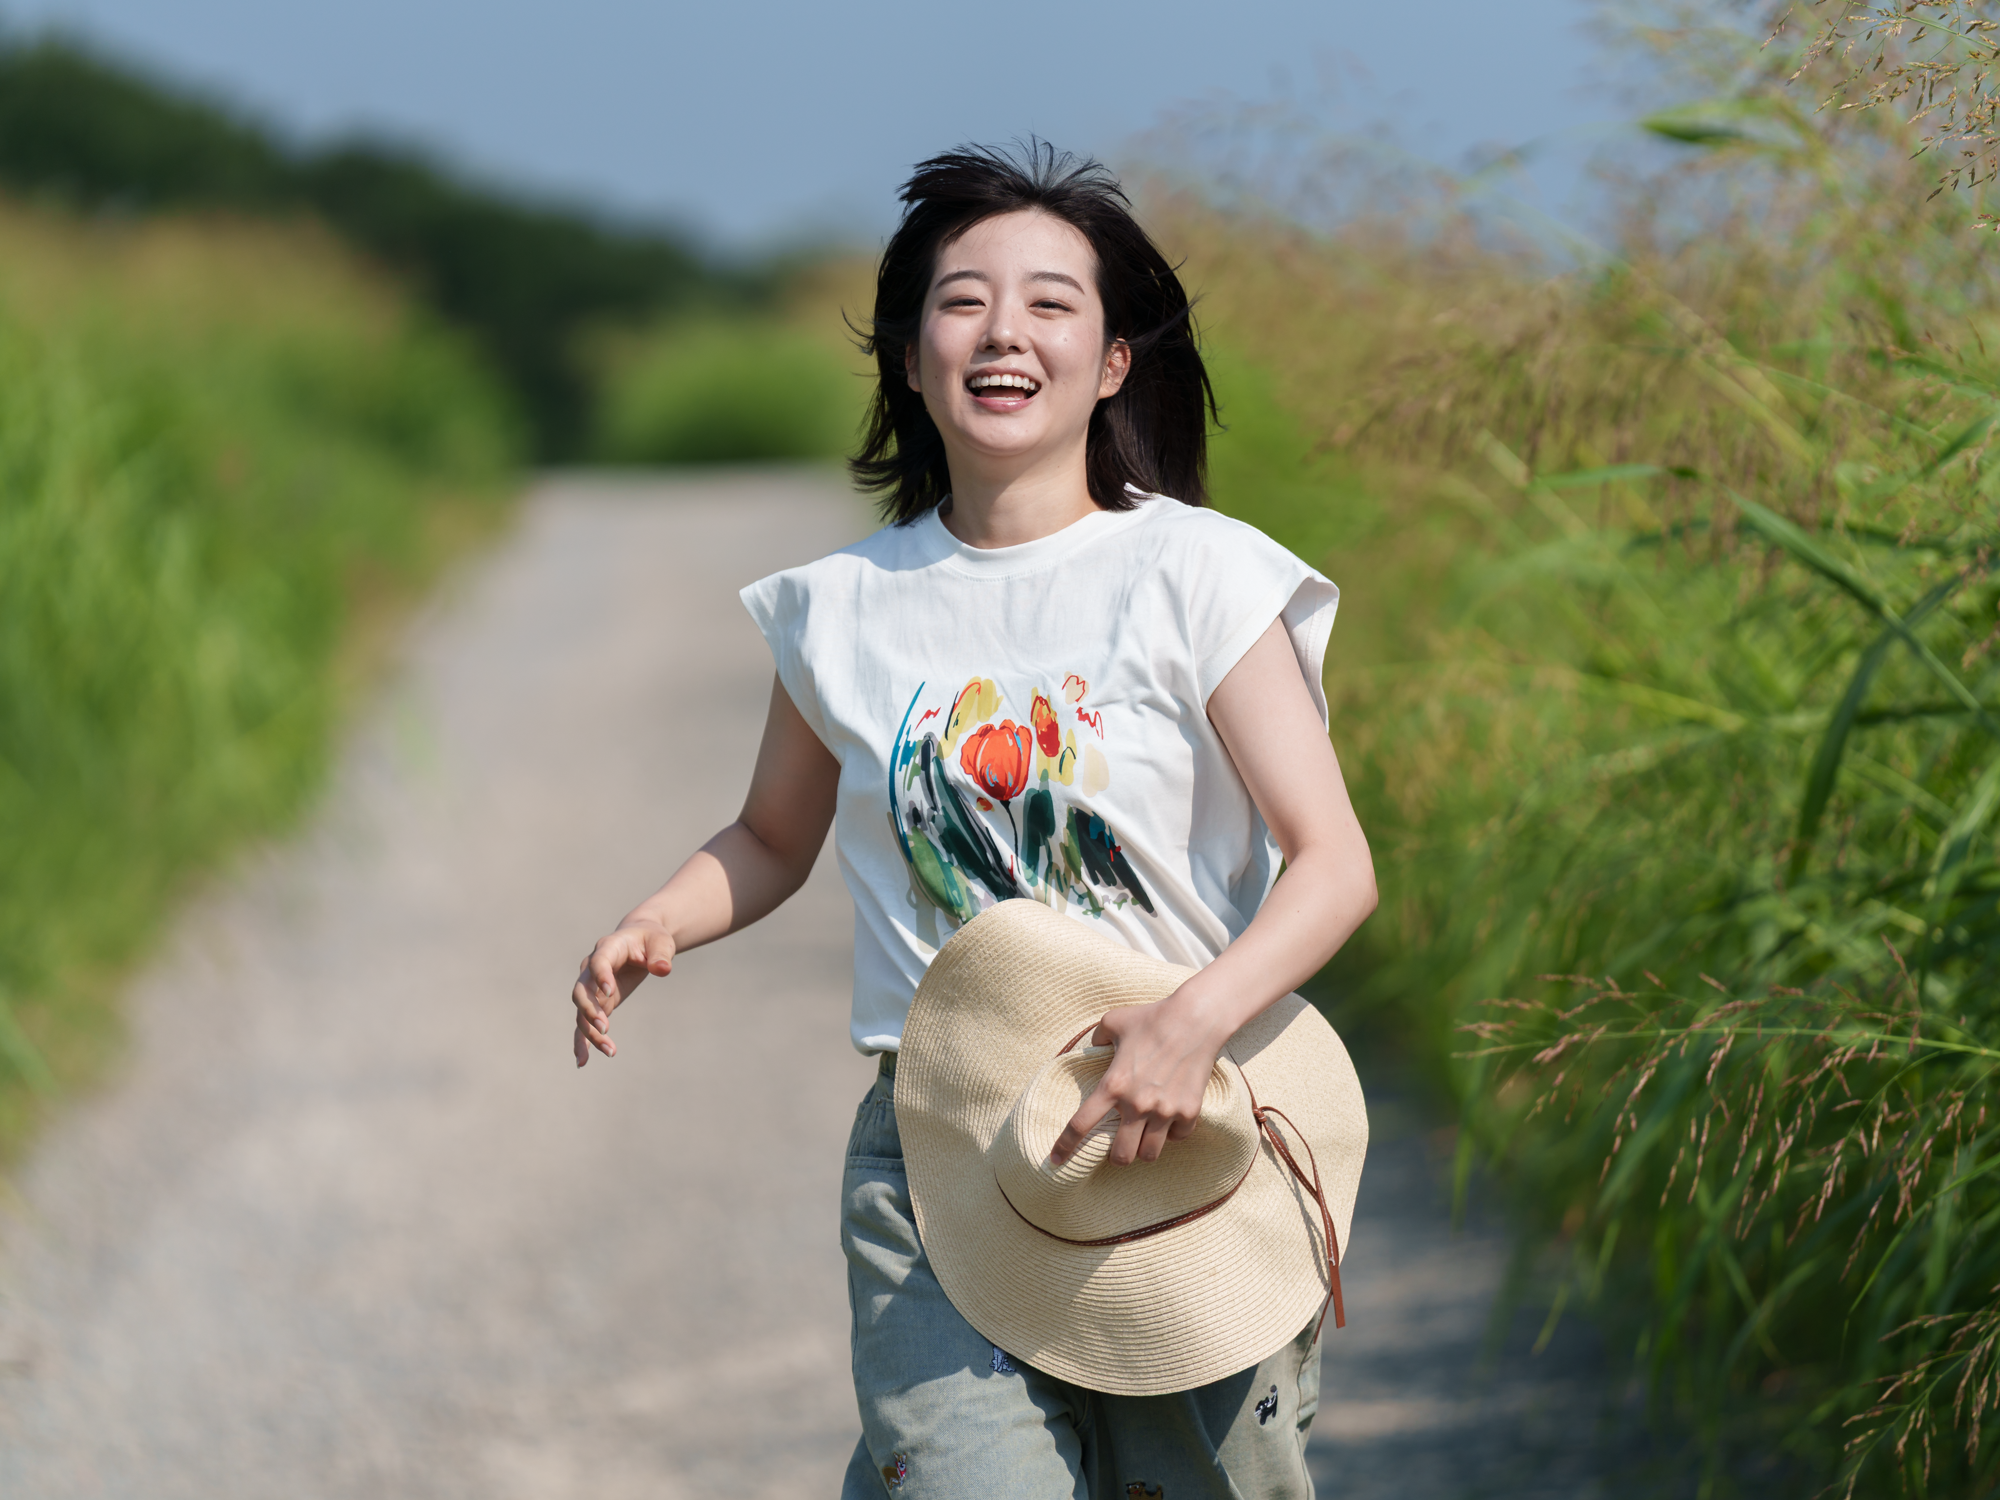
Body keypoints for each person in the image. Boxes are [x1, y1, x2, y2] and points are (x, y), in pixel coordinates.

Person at [568, 142, 1378, 1498]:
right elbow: (770, 837)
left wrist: (1190, 1025)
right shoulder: (840, 608)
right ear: (909, 356)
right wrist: (660, 918)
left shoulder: (1198, 573)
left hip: (1179, 1121)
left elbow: (1333, 863)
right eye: (965, 301)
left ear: (1112, 363)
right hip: (940, 1143)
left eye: (1052, 303)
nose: (1005, 329)